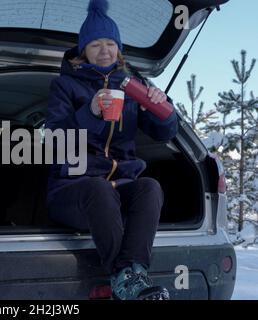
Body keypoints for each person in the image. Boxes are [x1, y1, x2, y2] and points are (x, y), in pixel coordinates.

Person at [44, 0, 177, 300]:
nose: (104, 50)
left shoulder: (133, 86)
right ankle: (124, 280)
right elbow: (53, 140)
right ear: (83, 51)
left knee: (150, 187)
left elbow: (165, 132)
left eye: (109, 43)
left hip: (120, 193)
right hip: (73, 191)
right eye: (95, 44)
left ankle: (134, 275)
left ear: (118, 48)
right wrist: (89, 113)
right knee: (98, 189)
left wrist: (162, 106)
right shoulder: (65, 86)